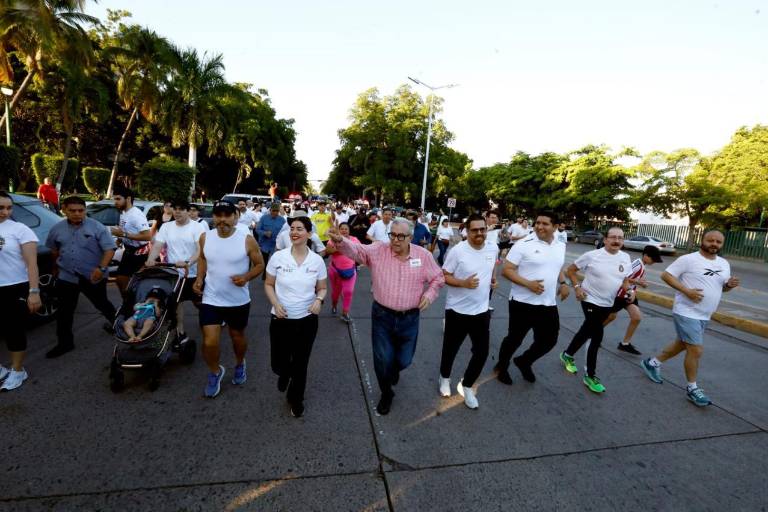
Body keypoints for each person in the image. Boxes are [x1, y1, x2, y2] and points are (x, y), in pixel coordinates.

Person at [327, 218, 445, 415]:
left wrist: (429, 294)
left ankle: (394, 371)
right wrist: (341, 241)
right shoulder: (378, 250)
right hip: (382, 315)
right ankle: (386, 392)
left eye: (401, 236)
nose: (395, 240)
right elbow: (357, 251)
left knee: (405, 359)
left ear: (411, 237)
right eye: (393, 235)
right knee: (382, 359)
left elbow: (438, 278)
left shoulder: (423, 256)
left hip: (410, 318)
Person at [641, 230, 739, 407]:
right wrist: (686, 291)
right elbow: (666, 275)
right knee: (695, 350)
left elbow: (721, 288)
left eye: (718, 241)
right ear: (702, 240)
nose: (714, 244)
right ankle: (692, 388)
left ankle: (652, 363)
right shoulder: (689, 259)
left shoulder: (724, 263)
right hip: (686, 311)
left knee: (682, 343)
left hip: (704, 314)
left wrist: (728, 286)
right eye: (710, 240)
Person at [193, 201, 265, 398]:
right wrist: (199, 278)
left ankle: (240, 362)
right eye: (218, 215)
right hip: (211, 298)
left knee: (237, 337)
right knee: (209, 341)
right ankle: (215, 371)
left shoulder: (247, 239)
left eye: (227, 215)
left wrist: (246, 278)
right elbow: (203, 258)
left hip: (237, 301)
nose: (222, 220)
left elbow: (260, 264)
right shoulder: (205, 237)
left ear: (236, 217)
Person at [494, 212, 570, 385]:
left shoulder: (560, 245)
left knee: (549, 341)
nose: (539, 227)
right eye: (537, 223)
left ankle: (524, 361)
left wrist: (564, 283)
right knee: (514, 339)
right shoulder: (523, 244)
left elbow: (557, 265)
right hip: (522, 303)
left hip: (548, 303)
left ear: (556, 227)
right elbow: (507, 270)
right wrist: (528, 284)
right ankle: (502, 366)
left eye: (545, 224)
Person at [264, 216, 328, 418]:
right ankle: (284, 373)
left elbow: (323, 288)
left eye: (300, 228)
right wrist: (275, 304)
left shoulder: (316, 260)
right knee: (278, 363)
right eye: (292, 228)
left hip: (307, 320)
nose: (294, 232)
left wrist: (319, 300)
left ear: (309, 234)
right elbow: (268, 284)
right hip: (280, 319)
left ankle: (296, 398)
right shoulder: (278, 257)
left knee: (301, 363)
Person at [560, 227, 631, 393]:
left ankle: (567, 354)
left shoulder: (625, 257)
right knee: (596, 335)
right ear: (605, 239)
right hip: (589, 299)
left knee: (586, 330)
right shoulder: (592, 255)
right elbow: (570, 270)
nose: (616, 241)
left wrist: (630, 291)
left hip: (608, 303)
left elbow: (625, 279)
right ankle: (590, 376)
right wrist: (577, 287)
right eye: (612, 237)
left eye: (620, 238)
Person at [45, 196, 117, 358]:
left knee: (102, 304)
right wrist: (55, 269)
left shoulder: (97, 227)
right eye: (73, 211)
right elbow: (54, 250)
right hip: (67, 276)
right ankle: (64, 343)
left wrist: (101, 268)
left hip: (92, 275)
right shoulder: (57, 228)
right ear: (64, 210)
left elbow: (109, 249)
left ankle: (121, 328)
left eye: (81, 210)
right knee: (64, 311)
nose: (77, 214)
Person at [438, 214, 498, 409]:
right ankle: (444, 377)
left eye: (482, 229)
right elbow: (444, 276)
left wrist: (493, 280)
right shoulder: (458, 251)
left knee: (482, 352)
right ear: (467, 231)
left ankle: (468, 385)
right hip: (457, 310)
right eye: (475, 230)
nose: (479, 233)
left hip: (481, 311)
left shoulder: (493, 248)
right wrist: (463, 283)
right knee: (451, 349)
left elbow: (491, 268)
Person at [146, 200, 207, 345]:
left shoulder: (197, 227)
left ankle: (211, 318)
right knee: (176, 301)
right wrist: (150, 259)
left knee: (199, 302)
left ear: (187, 211)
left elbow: (200, 250)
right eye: (175, 209)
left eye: (181, 209)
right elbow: (158, 245)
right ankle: (180, 331)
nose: (177, 212)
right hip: (173, 273)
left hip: (192, 272)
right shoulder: (167, 227)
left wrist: (188, 263)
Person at [0, 191, 42, 391]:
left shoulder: (20, 229)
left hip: (15, 286)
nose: (5, 212)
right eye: (1, 208)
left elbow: (32, 264)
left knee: (13, 330)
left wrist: (34, 291)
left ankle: (17, 370)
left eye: (9, 208)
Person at [603, 245, 663, 355]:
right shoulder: (636, 264)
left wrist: (638, 285)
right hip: (621, 295)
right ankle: (593, 333)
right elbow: (622, 277)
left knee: (636, 317)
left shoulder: (643, 265)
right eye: (653, 259)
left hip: (630, 295)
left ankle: (624, 344)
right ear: (645, 256)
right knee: (611, 316)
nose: (654, 262)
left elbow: (633, 280)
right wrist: (638, 282)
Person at [110, 186, 152, 298]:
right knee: (120, 280)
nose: (115, 202)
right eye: (114, 199)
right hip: (128, 251)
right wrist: (118, 241)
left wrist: (122, 235)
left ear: (128, 199)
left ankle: (131, 305)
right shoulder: (124, 213)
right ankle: (129, 304)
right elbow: (124, 230)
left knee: (123, 280)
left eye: (118, 199)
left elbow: (147, 236)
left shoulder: (136, 215)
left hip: (139, 253)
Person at [325, 222, 360, 323]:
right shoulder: (333, 239)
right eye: (342, 229)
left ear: (349, 230)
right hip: (335, 271)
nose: (344, 230)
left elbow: (359, 251)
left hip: (350, 270)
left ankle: (345, 313)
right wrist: (340, 248)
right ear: (339, 230)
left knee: (348, 292)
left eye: (346, 229)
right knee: (335, 293)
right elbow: (328, 251)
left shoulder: (354, 239)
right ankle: (334, 305)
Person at [256, 202, 287, 276]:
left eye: (277, 211)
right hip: (265, 244)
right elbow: (257, 230)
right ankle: (265, 274)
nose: (275, 213)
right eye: (273, 211)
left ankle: (272, 275)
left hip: (276, 245)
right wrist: (265, 233)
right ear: (270, 210)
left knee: (275, 261)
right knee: (264, 261)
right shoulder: (264, 218)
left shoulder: (282, 220)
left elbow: (285, 232)